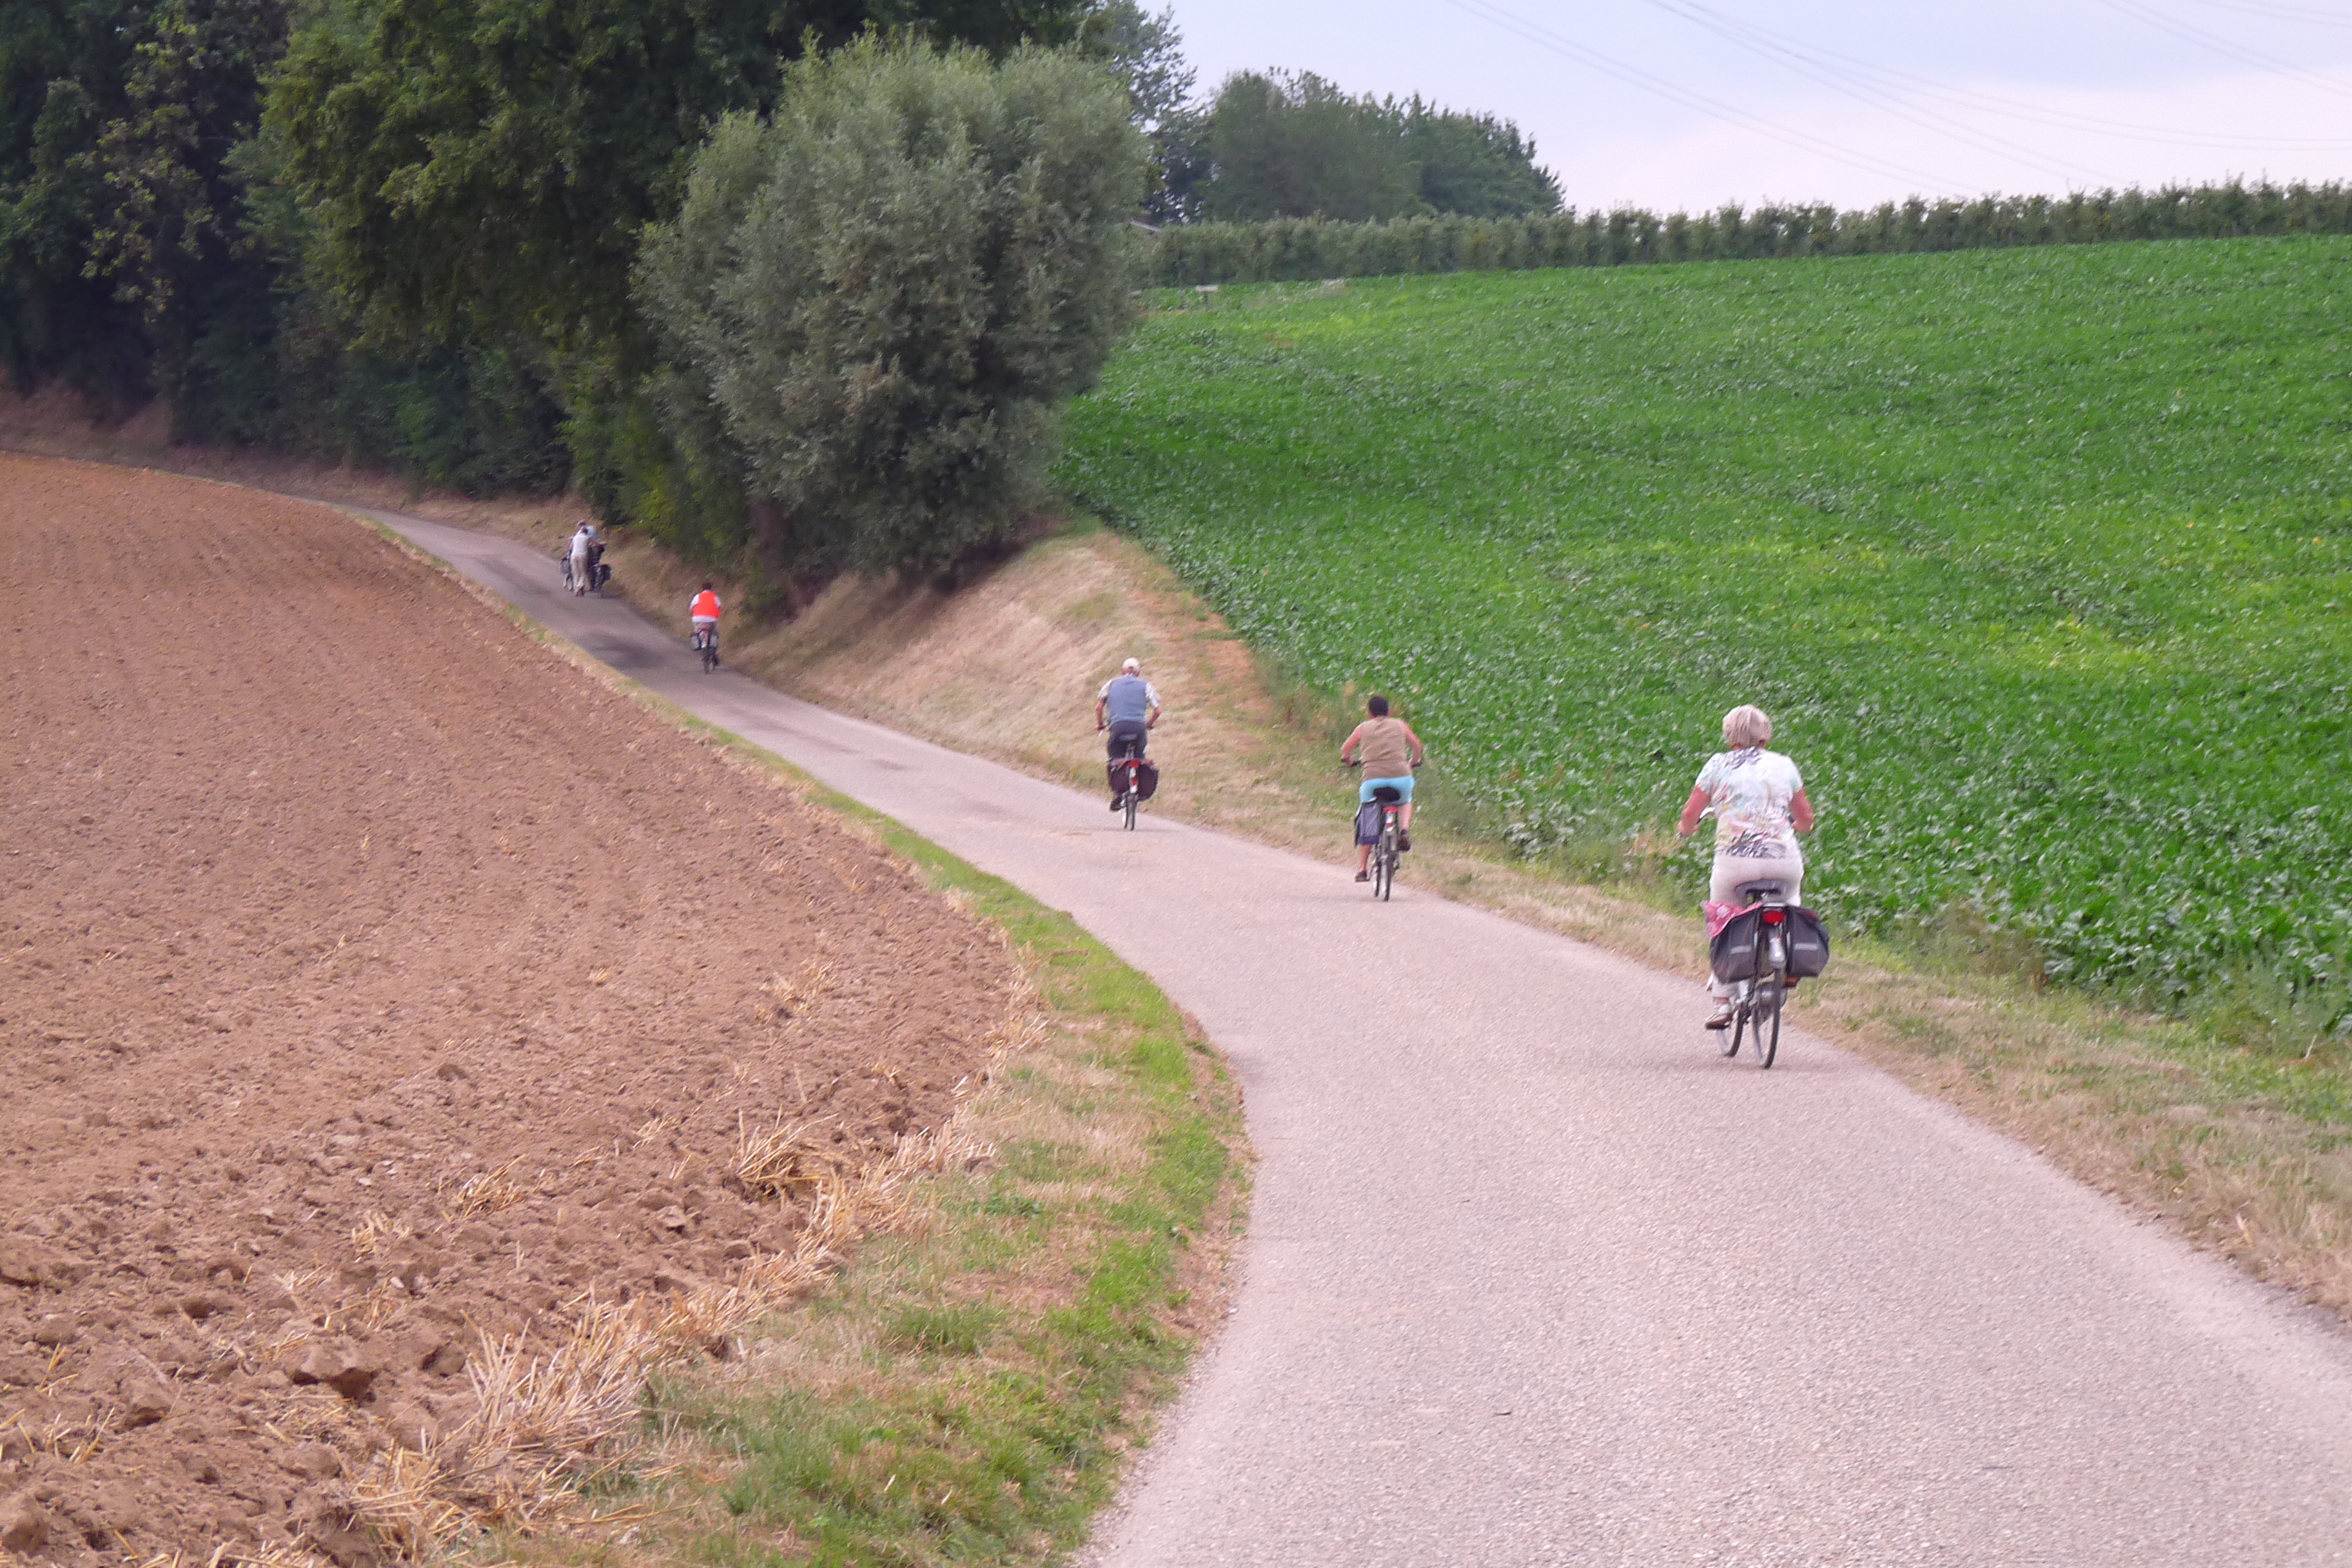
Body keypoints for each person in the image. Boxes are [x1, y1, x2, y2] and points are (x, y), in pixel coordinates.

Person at [1678, 703, 1816, 1030]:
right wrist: (1801, 827)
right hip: (1782, 860)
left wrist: (1687, 829)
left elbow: (1689, 814)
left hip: (1734, 863)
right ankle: (1790, 965)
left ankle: (1723, 1003)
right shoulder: (1784, 765)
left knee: (1723, 919)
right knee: (1791, 902)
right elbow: (1806, 817)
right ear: (1765, 736)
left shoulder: (1717, 766)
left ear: (1730, 737)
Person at [1340, 695, 1425, 882]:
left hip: (1372, 781)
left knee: (1368, 818)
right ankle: (1404, 830)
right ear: (1389, 711)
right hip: (1401, 777)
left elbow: (1346, 749)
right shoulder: (1400, 725)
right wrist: (1414, 761)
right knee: (1405, 800)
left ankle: (1362, 870)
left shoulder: (1363, 728)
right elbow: (1417, 745)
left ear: (1370, 713)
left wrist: (1349, 760)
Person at [1095, 658, 1162, 810]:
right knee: (1140, 757)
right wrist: (1150, 724)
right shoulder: (1146, 686)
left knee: (1114, 759)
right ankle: (1138, 786)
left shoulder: (1111, 684)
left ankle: (1117, 794)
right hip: (1139, 728)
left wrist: (1100, 725)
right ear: (1139, 673)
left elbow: (1099, 708)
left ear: (1122, 671)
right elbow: (1158, 710)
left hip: (1118, 727)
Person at [689, 580, 722, 657]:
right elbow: (720, 608)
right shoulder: (715, 597)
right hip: (711, 619)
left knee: (697, 630)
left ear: (702, 588)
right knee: (715, 632)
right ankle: (715, 651)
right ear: (711, 588)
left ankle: (700, 642)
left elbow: (691, 608)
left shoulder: (698, 596)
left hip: (698, 619)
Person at [568, 521, 596, 597]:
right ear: (586, 533)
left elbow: (571, 547)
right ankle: (580, 585)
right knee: (583, 572)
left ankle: (576, 590)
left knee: (576, 573)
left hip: (574, 556)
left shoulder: (575, 537)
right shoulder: (587, 537)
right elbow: (595, 544)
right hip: (583, 556)